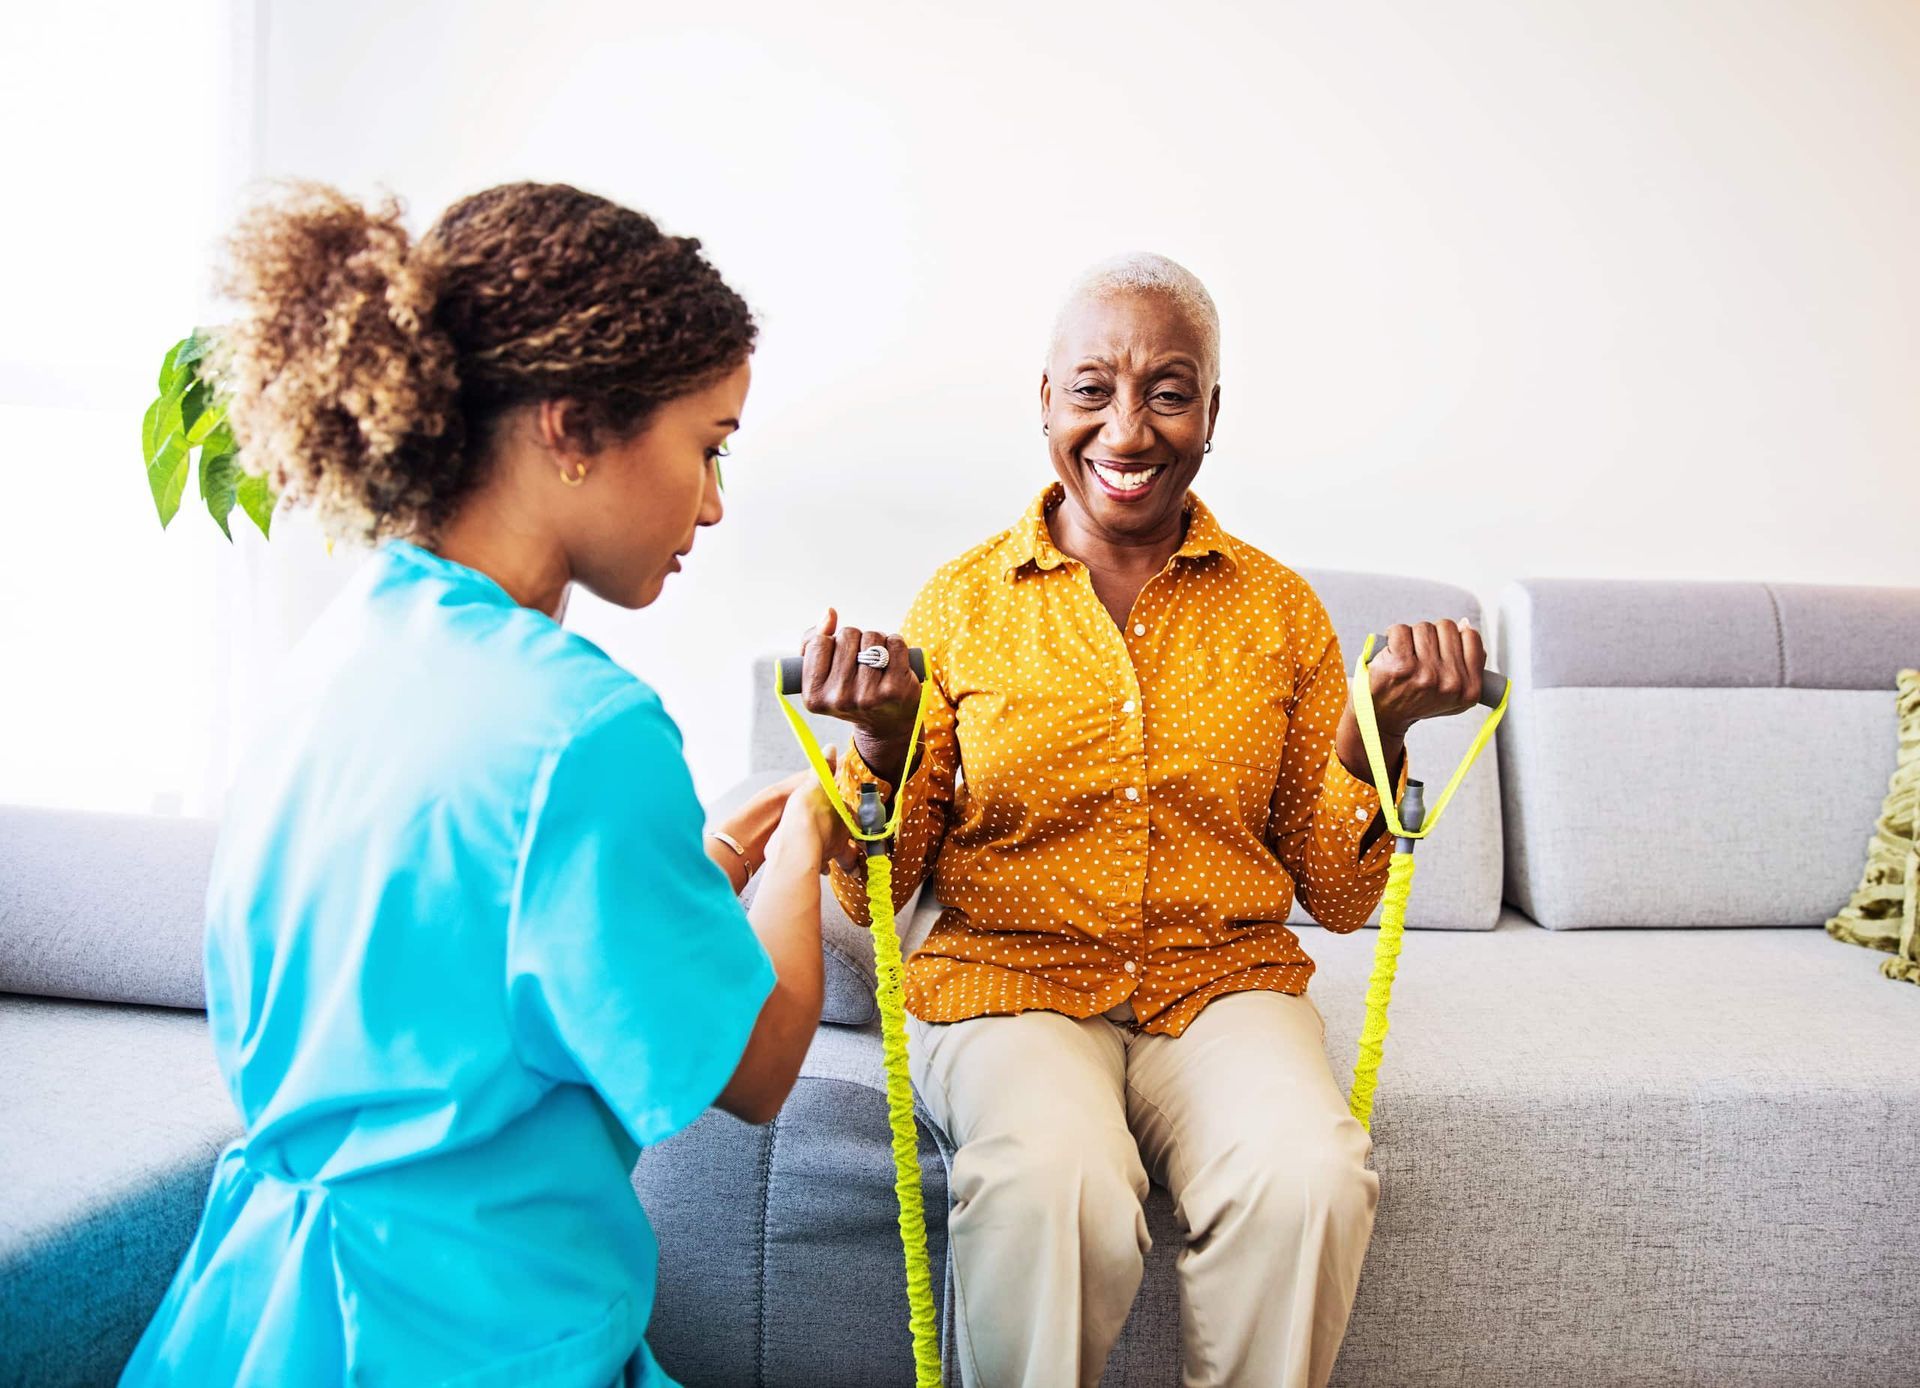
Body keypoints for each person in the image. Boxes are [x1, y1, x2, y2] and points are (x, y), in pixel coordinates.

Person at [120, 182, 837, 1388]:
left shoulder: (340, 653)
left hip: (258, 1322)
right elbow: (759, 1064)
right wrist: (810, 844)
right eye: (707, 447)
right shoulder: (586, 730)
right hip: (474, 1338)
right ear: (571, 427)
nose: (714, 502)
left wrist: (698, 861)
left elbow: (469, 967)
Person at [801, 253, 1487, 1388]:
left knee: (1309, 1173)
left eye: (1169, 390)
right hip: (1006, 979)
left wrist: (1383, 730)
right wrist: (881, 743)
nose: (1128, 427)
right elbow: (882, 882)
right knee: (1051, 1183)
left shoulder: (1279, 608)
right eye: (1092, 389)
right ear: (1044, 402)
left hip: (1217, 982)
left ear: (1212, 412)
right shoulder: (962, 603)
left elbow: (1342, 891)